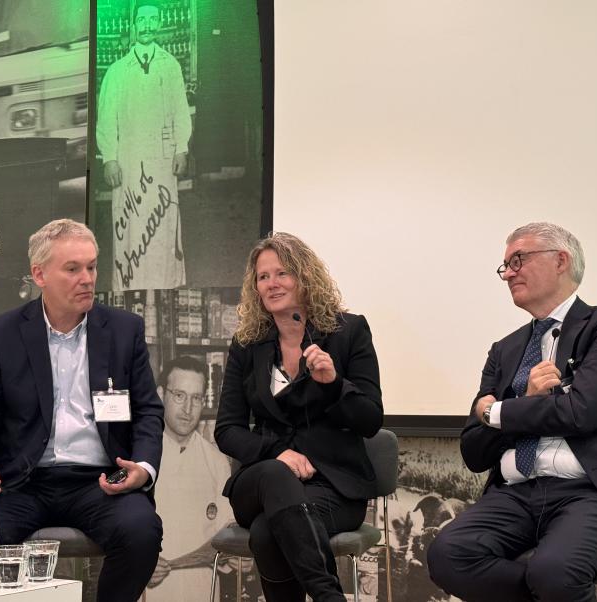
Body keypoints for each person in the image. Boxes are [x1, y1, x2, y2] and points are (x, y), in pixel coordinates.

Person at [427, 222, 597, 602]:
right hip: (515, 494)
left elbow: (581, 413)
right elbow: (474, 452)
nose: (508, 274)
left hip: (593, 492)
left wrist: (500, 411)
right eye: (505, 266)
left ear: (561, 260)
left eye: (518, 260)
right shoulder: (504, 350)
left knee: (555, 571)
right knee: (449, 556)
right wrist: (526, 400)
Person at [0, 219, 164, 602]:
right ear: (40, 274)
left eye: (92, 267)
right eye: (73, 269)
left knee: (141, 530)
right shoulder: (3, 333)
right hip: (22, 481)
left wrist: (143, 467)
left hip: (100, 482)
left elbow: (148, 412)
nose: (87, 279)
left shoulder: (124, 330)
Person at [214, 232, 383, 601]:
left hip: (333, 486)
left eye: (282, 273)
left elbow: (370, 420)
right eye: (263, 277)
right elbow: (227, 430)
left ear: (305, 276)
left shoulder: (348, 332)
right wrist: (278, 453)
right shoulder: (247, 344)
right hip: (260, 482)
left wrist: (334, 384)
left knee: (266, 533)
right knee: (276, 473)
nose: (272, 284)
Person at [96, 0, 191, 291]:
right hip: (128, 160)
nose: (147, 25)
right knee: (131, 226)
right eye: (142, 20)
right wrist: (109, 158)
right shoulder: (117, 71)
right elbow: (106, 118)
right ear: (134, 24)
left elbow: (180, 110)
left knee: (162, 223)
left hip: (162, 160)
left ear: (159, 24)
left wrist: (181, 147)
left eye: (153, 19)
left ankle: (164, 285)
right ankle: (130, 286)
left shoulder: (170, 66)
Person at [146, 356, 234, 601]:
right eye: (179, 395)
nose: (188, 409)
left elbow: (227, 533)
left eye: (196, 398)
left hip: (202, 588)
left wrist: (239, 557)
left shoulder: (217, 462)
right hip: (150, 591)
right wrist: (137, 561)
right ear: (161, 394)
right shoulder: (139, 459)